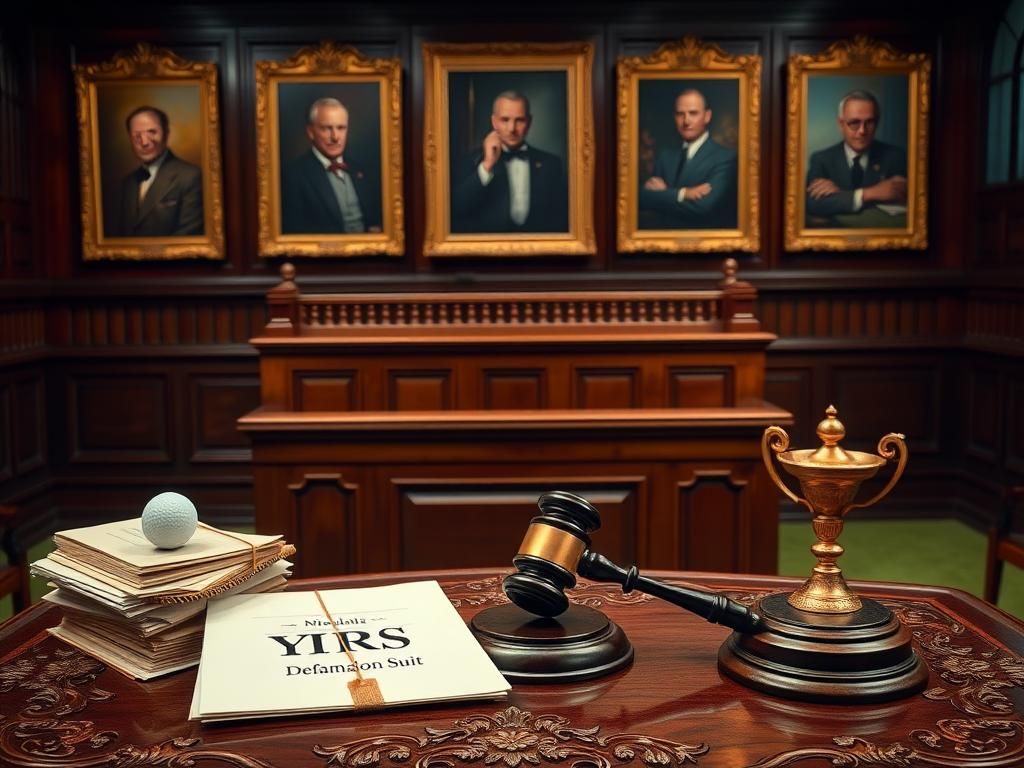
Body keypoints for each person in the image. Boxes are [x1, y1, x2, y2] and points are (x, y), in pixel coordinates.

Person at [451, 91, 568, 234]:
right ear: (494, 122)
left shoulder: (551, 164)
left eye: (520, 120)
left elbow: (560, 219)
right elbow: (457, 210)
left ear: (529, 122)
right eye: (505, 120)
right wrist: (487, 166)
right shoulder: (471, 161)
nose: (512, 129)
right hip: (488, 252)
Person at [639, 88, 737, 230]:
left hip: (706, 245)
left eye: (693, 113)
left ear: (707, 116)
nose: (686, 121)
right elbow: (643, 199)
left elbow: (703, 208)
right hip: (663, 243)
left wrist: (664, 194)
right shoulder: (665, 155)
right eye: (680, 114)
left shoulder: (726, 158)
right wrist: (683, 194)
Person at [805, 90, 907, 225]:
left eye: (869, 122)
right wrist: (870, 193)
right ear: (841, 124)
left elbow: (904, 198)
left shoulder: (896, 156)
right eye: (854, 123)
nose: (862, 131)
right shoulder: (821, 159)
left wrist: (840, 196)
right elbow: (813, 204)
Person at [280, 97, 381, 234]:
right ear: (311, 132)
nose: (335, 137)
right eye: (326, 128)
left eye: (341, 128)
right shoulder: (293, 175)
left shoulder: (361, 169)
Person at [108, 106, 203, 237]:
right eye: (137, 136)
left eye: (152, 132)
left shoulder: (191, 176)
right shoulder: (127, 183)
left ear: (166, 134)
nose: (145, 142)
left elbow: (188, 235)